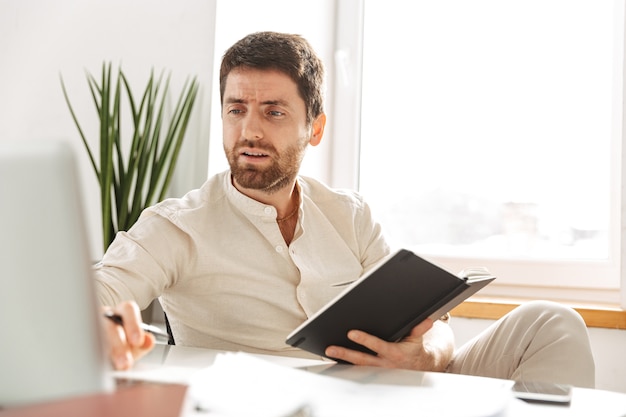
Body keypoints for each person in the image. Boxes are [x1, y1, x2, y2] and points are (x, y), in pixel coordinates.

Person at [96, 31, 595, 388]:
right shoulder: (175, 227)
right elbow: (95, 296)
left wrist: (423, 354)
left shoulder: (349, 215)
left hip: (383, 389)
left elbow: (431, 324)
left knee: (550, 321)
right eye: (236, 109)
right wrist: (102, 326)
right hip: (278, 400)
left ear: (314, 128)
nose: (249, 130)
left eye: (273, 112)